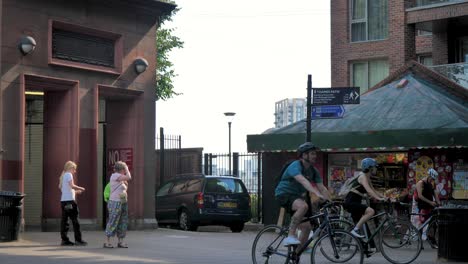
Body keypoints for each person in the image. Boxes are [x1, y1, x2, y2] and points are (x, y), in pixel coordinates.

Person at [275, 142, 331, 247]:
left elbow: (322, 187)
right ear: (304, 155)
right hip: (283, 194)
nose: (315, 156)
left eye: (315, 154)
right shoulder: (295, 165)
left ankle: (295, 255)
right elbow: (303, 181)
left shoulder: (313, 171)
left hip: (296, 197)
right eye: (312, 154)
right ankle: (290, 235)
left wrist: (330, 201)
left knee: (307, 227)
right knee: (303, 206)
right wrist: (316, 193)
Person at [343, 158, 387, 240]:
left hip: (356, 201)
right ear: (369, 167)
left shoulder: (367, 177)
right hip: (351, 201)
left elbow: (374, 190)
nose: (376, 169)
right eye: (375, 167)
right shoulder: (362, 177)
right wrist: (378, 198)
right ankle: (355, 231)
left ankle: (363, 247)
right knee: (371, 211)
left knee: (361, 224)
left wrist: (383, 197)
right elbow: (369, 191)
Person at [104, 161, 132, 248]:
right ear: (122, 169)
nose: (126, 170)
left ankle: (121, 241)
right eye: (124, 168)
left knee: (122, 222)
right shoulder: (115, 175)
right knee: (113, 221)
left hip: (122, 202)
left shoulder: (121, 178)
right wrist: (127, 168)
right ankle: (107, 241)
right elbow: (129, 177)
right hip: (115, 202)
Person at [58, 161, 87, 246]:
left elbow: (67, 190)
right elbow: (72, 185)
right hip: (70, 201)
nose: (75, 171)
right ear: (71, 168)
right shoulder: (69, 175)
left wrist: (76, 192)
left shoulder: (63, 176)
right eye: (74, 169)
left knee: (65, 221)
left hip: (64, 201)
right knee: (75, 220)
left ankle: (64, 240)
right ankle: (78, 240)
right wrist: (81, 188)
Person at [415, 168, 440, 246]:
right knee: (422, 224)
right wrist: (430, 202)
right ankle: (420, 244)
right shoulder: (420, 183)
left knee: (433, 224)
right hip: (423, 206)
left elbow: (434, 193)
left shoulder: (430, 184)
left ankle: (432, 240)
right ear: (429, 176)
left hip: (430, 207)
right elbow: (420, 196)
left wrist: (438, 201)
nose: (432, 181)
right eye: (432, 179)